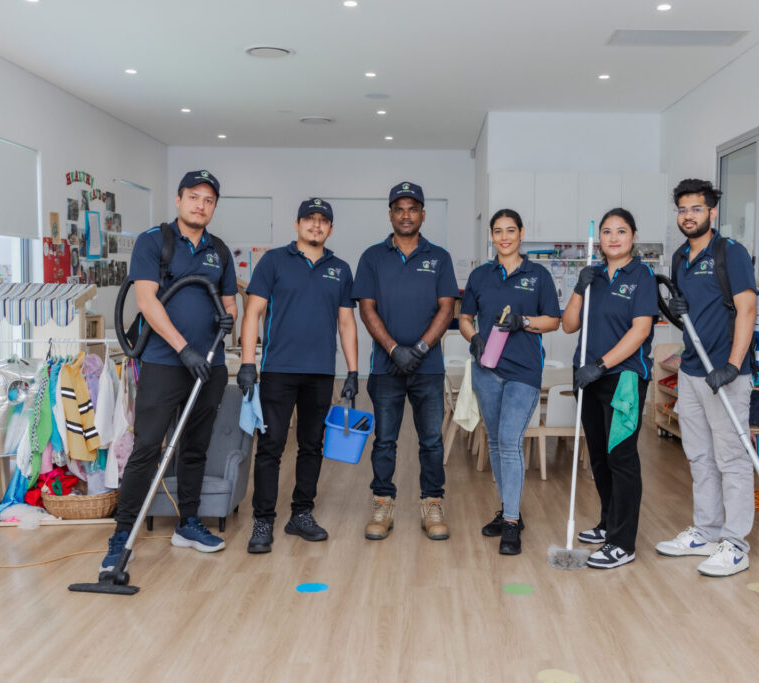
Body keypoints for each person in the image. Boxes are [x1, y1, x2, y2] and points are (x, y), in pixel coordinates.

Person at [101, 170, 237, 573]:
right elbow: (147, 302)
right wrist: (183, 349)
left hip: (210, 366)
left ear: (214, 207)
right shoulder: (153, 242)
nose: (201, 205)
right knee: (148, 448)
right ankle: (123, 534)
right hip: (164, 362)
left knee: (196, 447)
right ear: (178, 199)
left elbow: (229, 303)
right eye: (194, 196)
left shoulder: (219, 251)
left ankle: (188, 523)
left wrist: (228, 321)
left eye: (209, 200)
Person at [237, 198, 359, 554]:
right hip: (278, 370)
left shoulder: (340, 268)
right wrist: (248, 363)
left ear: (330, 229)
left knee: (311, 446)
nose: (316, 225)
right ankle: (263, 520)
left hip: (321, 372)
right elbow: (253, 312)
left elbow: (346, 322)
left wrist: (352, 371)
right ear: (297, 224)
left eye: (323, 221)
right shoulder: (274, 261)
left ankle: (301, 514)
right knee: (271, 447)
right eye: (310, 219)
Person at [655, 178, 757, 577]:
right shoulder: (680, 257)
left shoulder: (730, 253)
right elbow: (684, 314)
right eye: (682, 209)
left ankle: (735, 544)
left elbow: (746, 310)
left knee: (731, 458)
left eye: (696, 209)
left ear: (712, 212)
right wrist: (675, 308)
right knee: (699, 455)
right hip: (692, 369)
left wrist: (732, 364)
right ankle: (707, 532)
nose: (688, 216)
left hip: (725, 372)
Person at [352, 181, 459, 540]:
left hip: (428, 369)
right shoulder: (372, 257)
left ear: (422, 214)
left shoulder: (439, 257)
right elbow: (367, 309)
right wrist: (394, 349)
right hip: (385, 368)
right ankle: (383, 503)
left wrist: (421, 349)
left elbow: (448, 308)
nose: (406, 214)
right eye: (399, 209)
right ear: (391, 214)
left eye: (413, 208)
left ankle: (432, 503)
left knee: (431, 441)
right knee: (384, 440)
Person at [460, 209, 560, 555]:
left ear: (521, 233)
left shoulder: (538, 275)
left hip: (523, 371)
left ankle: (512, 522)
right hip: (486, 369)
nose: (504, 237)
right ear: (491, 236)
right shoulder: (480, 275)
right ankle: (507, 510)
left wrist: (524, 321)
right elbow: (464, 317)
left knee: (509, 440)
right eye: (498, 231)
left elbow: (553, 321)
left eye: (510, 230)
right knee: (494, 443)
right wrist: (473, 337)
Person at [562, 209, 658, 569]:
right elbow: (569, 326)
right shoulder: (593, 276)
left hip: (623, 379)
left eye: (621, 231)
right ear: (598, 239)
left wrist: (600, 365)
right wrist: (578, 287)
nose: (613, 237)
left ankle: (622, 543)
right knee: (599, 456)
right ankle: (607, 524)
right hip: (586, 377)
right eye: (606, 232)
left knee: (621, 457)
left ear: (633, 236)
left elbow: (640, 331)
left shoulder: (642, 275)